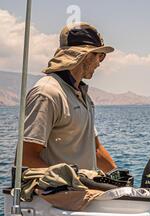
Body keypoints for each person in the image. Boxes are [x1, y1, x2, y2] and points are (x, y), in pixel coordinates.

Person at [22, 22, 116, 172]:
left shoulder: (82, 96)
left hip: (81, 188)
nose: (99, 63)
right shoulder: (47, 93)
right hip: (56, 193)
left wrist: (121, 182)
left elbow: (95, 149)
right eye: (100, 56)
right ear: (85, 55)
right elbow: (27, 157)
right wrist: (70, 182)